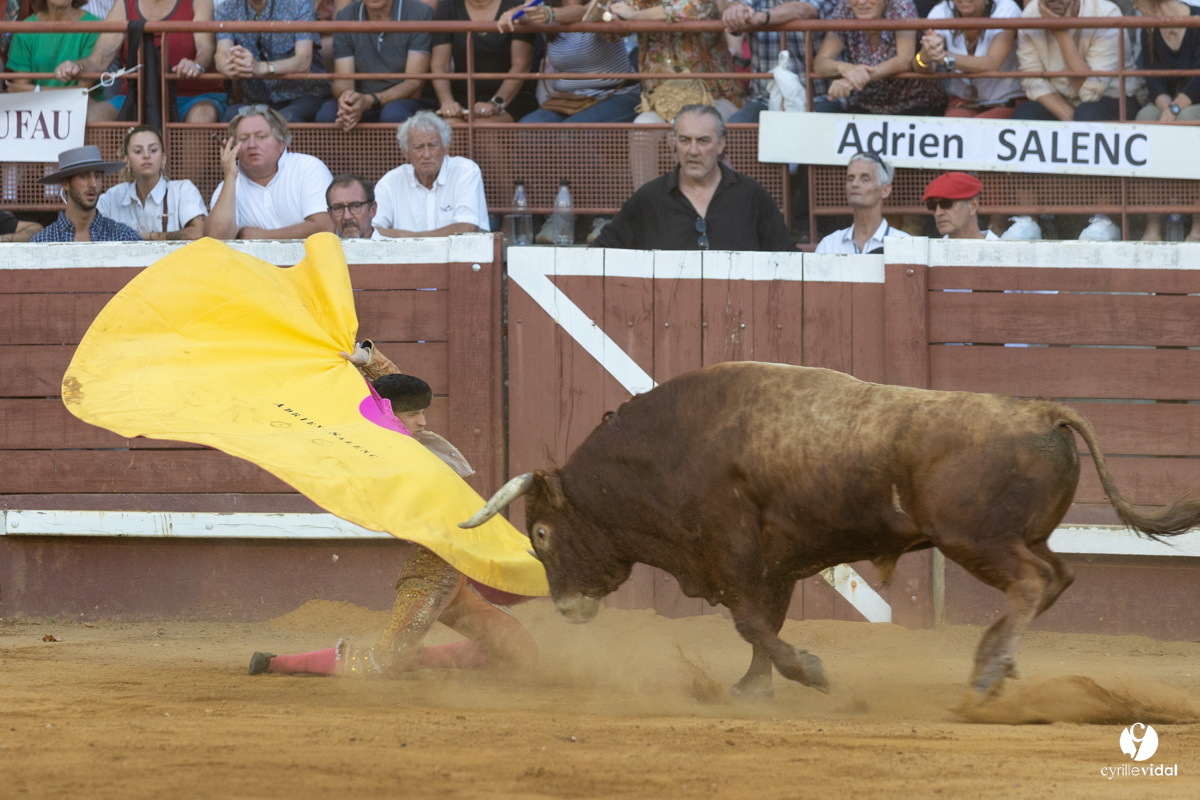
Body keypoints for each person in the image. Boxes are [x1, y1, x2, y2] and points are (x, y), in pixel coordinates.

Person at [249, 345, 538, 679]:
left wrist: (370, 361)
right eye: (413, 414)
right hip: (431, 573)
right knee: (379, 666)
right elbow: (386, 408)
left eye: (422, 412)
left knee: (521, 656)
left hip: (454, 566)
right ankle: (277, 662)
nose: (423, 421)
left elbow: (394, 388)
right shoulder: (383, 446)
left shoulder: (403, 437)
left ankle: (413, 659)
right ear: (389, 415)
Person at [592, 105, 796, 251]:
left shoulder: (751, 194)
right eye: (684, 140)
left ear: (721, 144)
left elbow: (789, 259)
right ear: (674, 143)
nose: (693, 150)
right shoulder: (649, 198)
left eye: (703, 141)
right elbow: (600, 254)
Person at [50, 0, 224, 124]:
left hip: (193, 96)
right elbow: (99, 59)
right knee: (94, 116)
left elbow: (206, 50)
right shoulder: (124, 4)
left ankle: (188, 178)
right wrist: (76, 66)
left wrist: (195, 65)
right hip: (136, 97)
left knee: (203, 115)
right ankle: (113, 177)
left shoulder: (199, 1)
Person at [205, 106, 336, 240]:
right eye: (244, 139)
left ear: (281, 143)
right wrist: (229, 177)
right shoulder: (227, 186)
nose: (251, 145)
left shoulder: (308, 168)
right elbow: (217, 238)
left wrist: (263, 236)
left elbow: (325, 228)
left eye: (261, 137)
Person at [500, 0, 641, 123]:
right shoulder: (543, 6)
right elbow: (525, 11)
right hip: (568, 99)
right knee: (528, 132)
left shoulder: (603, 2)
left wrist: (550, 14)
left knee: (572, 135)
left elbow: (587, 10)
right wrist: (514, 14)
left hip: (618, 93)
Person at [1133, 0, 1200, 241]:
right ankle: (1154, 223)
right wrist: (1165, 109)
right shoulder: (1148, 28)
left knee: (1190, 120)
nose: (1134, 9)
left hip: (1192, 103)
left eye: (1137, 2)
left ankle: (1197, 223)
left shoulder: (1197, 19)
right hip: (1166, 103)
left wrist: (1174, 108)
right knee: (1145, 119)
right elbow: (1153, 78)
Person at [812, 0, 947, 115]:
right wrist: (846, 69)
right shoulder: (845, 7)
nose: (862, 2)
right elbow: (820, 62)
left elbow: (904, 60)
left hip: (916, 103)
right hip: (865, 104)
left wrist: (856, 79)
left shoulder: (900, 4)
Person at [1013, 0, 1141, 121]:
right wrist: (1069, 118)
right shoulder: (1030, 14)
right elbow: (1032, 79)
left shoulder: (1105, 14)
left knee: (1087, 114)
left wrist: (1062, 34)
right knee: (1025, 113)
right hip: (1063, 100)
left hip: (1114, 98)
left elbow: (1090, 93)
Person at [316, 0, 434, 129]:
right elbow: (343, 79)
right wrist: (348, 99)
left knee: (393, 114)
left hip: (402, 99)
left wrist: (370, 100)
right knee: (328, 114)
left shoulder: (420, 12)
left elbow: (413, 83)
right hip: (361, 99)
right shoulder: (345, 16)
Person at [372, 111, 490, 237]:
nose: (426, 155)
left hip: (456, 257)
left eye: (433, 146)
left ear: (446, 148)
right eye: (418, 147)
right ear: (405, 152)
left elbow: (467, 229)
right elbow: (373, 230)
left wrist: (409, 239)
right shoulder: (391, 182)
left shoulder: (465, 171)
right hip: (405, 256)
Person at [722, 0, 837, 122]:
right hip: (765, 99)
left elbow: (806, 9)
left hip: (820, 98)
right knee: (734, 133)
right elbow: (737, 5)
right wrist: (736, 10)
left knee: (819, 132)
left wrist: (762, 17)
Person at [214, 0, 328, 123]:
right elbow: (221, 53)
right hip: (258, 100)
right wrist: (231, 66)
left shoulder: (299, 3)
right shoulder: (226, 8)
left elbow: (304, 60)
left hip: (303, 95)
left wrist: (262, 68)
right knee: (232, 115)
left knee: (287, 118)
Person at [427, 0, 537, 123]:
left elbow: (521, 65)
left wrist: (496, 103)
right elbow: (440, 64)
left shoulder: (515, 4)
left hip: (511, 99)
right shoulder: (449, 5)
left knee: (484, 126)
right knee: (451, 125)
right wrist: (448, 102)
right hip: (462, 97)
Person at [915, 0, 1024, 118]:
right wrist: (924, 56)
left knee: (978, 127)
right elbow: (925, 67)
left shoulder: (1006, 8)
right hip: (963, 102)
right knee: (954, 124)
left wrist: (947, 58)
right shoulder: (941, 10)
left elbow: (992, 63)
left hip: (1007, 100)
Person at [96, 126, 208, 240]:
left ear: (164, 158)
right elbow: (89, 230)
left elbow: (200, 233)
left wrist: (144, 237)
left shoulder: (182, 190)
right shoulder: (112, 197)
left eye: (153, 150)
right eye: (138, 151)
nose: (146, 155)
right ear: (127, 161)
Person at [4, 0, 110, 120]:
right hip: (35, 114)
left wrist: (37, 91)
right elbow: (20, 92)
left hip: (81, 115)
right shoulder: (25, 29)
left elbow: (84, 93)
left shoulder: (93, 25)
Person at [30, 146, 142, 242]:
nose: (93, 183)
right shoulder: (43, 241)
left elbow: (156, 266)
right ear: (66, 184)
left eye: (97, 176)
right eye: (83, 176)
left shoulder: (123, 237)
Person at [814, 152, 911, 254]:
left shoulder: (904, 244)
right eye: (850, 179)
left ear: (885, 190)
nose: (854, 184)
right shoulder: (829, 245)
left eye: (865, 179)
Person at [923, 171, 998, 239]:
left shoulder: (1003, 251)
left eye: (946, 203)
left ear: (973, 205)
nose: (938, 213)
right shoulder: (934, 251)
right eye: (932, 205)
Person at [326, 173, 383, 239]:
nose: (347, 217)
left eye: (355, 206)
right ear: (330, 215)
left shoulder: (393, 248)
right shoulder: (324, 249)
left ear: (372, 209)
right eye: (338, 208)